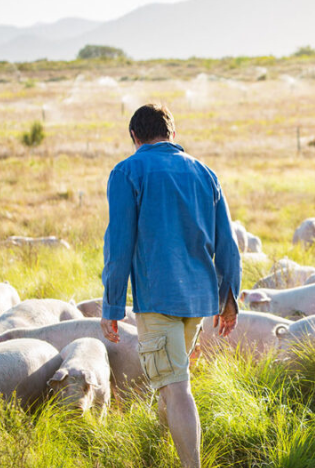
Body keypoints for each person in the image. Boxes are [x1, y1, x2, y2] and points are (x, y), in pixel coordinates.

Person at [100, 103, 241, 468]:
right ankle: (165, 449)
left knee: (177, 388)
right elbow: (227, 243)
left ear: (135, 137)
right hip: (197, 301)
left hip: (158, 296)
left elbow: (119, 245)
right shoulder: (204, 173)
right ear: (172, 134)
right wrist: (229, 299)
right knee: (171, 381)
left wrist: (112, 307)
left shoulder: (127, 172)